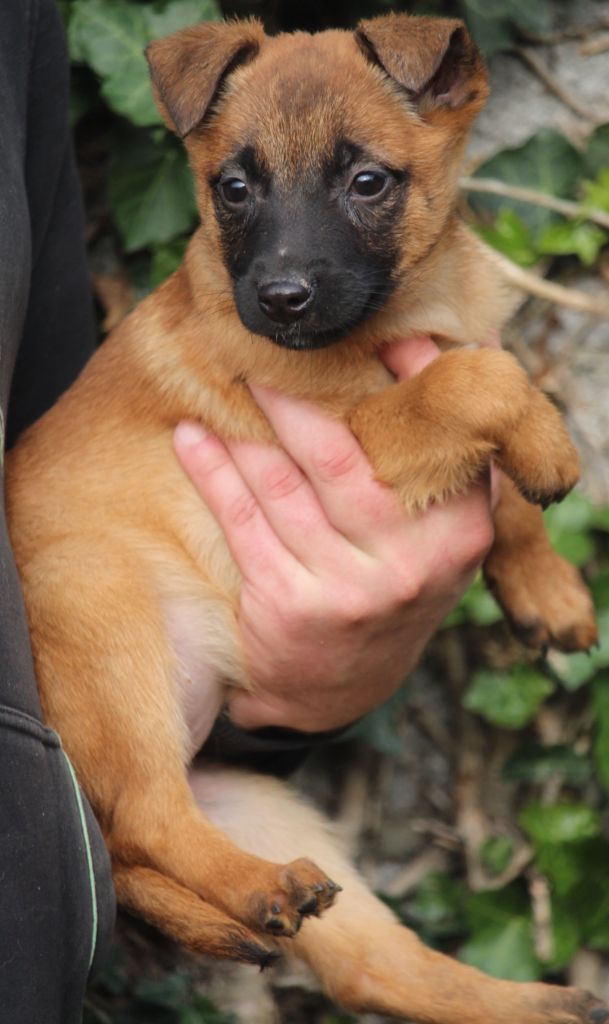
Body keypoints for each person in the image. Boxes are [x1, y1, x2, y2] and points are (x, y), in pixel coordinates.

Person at [0, 0, 495, 1020]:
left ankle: (416, 978)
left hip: (112, 735)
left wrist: (292, 697)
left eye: (366, 185)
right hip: (98, 693)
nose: (284, 269)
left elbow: (46, 405)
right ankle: (165, 842)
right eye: (235, 189)